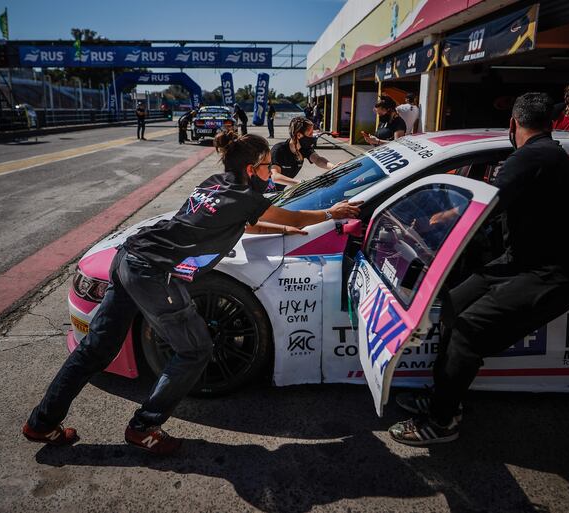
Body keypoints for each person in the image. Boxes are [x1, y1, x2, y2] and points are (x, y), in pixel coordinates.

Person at [22, 131, 362, 454]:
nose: (269, 171)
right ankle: (144, 428)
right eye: (265, 165)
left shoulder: (213, 185)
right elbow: (295, 217)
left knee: (96, 349)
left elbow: (248, 223)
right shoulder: (247, 197)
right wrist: (333, 212)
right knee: (196, 349)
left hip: (130, 256)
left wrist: (283, 229)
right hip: (154, 273)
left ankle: (42, 421)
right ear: (250, 169)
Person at [388, 92, 569, 446]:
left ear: (513, 124)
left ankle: (440, 422)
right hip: (521, 260)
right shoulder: (544, 155)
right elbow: (492, 198)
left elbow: (480, 211)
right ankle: (444, 397)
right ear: (551, 123)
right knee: (453, 305)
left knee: (468, 331)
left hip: (552, 273)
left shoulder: (529, 158)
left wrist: (429, 226)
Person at [270, 116, 340, 191]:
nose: (312, 137)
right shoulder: (278, 150)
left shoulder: (304, 148)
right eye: (310, 134)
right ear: (299, 135)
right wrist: (300, 183)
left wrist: (333, 166)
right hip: (265, 191)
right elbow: (275, 176)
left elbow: (317, 159)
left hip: (279, 191)